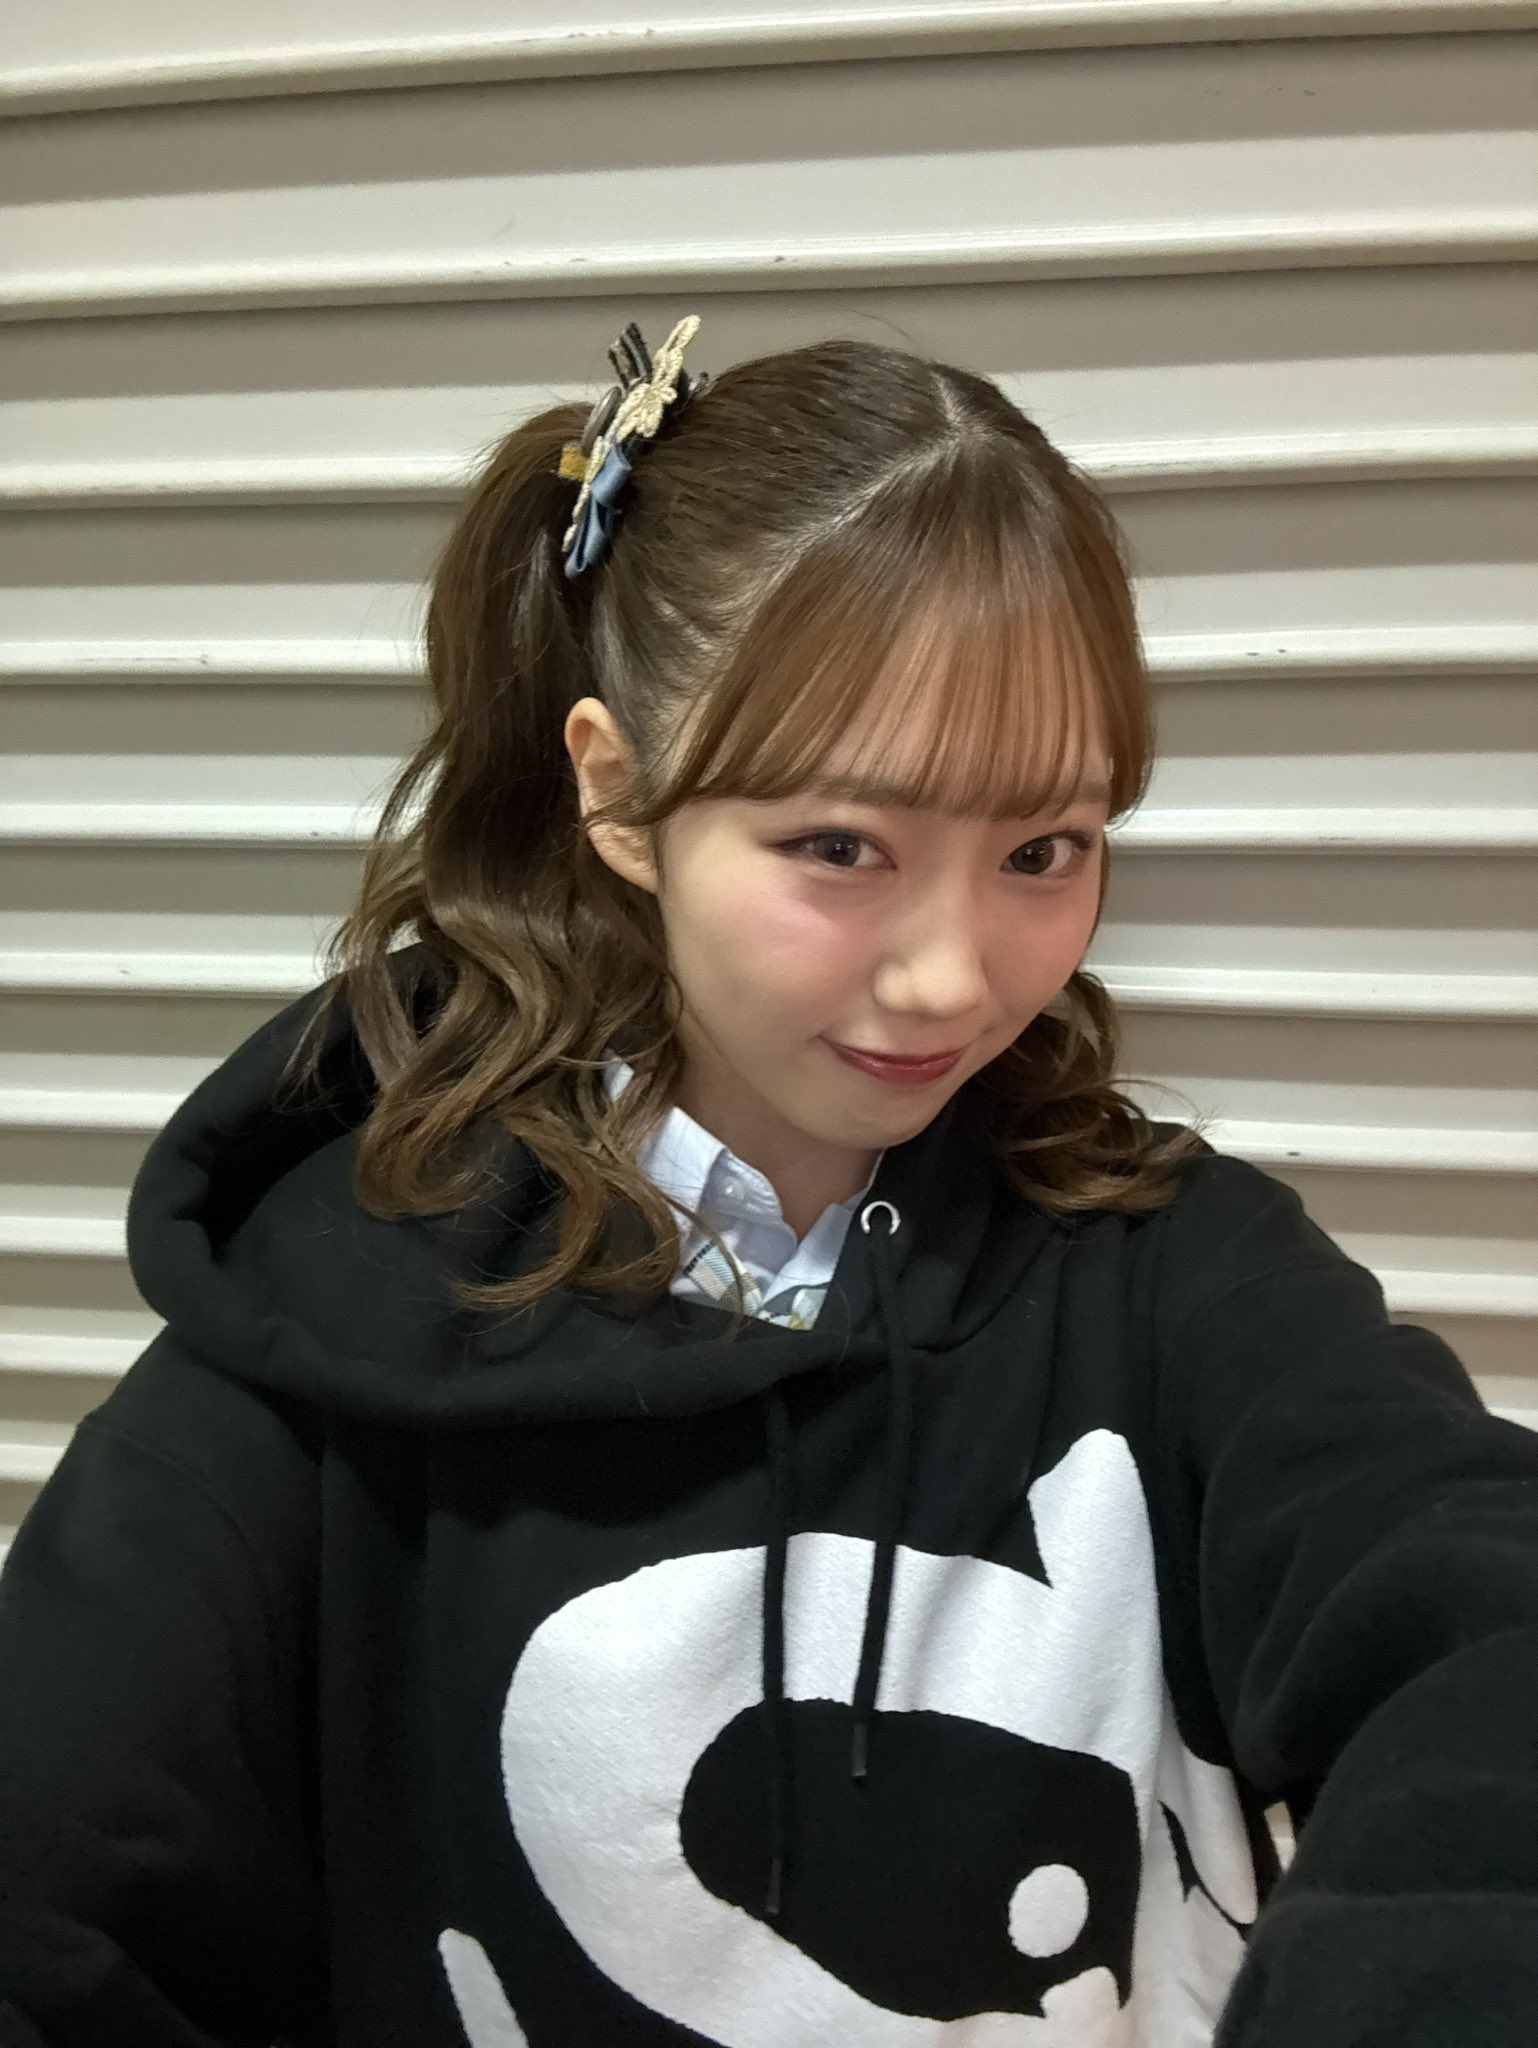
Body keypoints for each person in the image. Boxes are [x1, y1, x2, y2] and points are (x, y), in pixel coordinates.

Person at [1, 315, 1535, 2048]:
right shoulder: (323, 1353)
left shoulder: (1176, 1276)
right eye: (839, 846)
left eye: (1042, 849)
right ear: (619, 795)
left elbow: (1474, 1612)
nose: (952, 978)